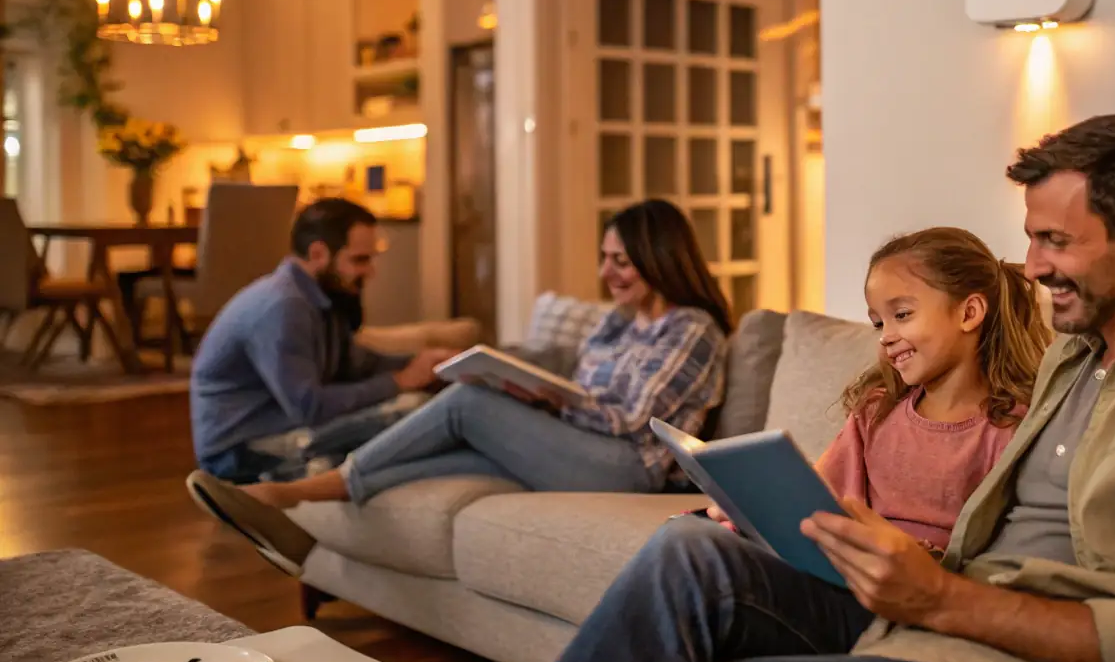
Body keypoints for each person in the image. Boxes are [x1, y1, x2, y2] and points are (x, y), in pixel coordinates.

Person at [520, 114, 1115, 662]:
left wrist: (940, 601)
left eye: (1054, 243)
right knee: (688, 553)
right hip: (935, 614)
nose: (1029, 268)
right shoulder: (1074, 357)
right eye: (1030, 241)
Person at [187, 198, 733, 577]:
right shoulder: (617, 322)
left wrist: (545, 397)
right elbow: (587, 393)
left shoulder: (691, 329)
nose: (607, 272)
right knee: (463, 447)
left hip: (630, 467)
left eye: (622, 261)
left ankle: (286, 491)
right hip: (584, 447)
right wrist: (536, 393)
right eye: (605, 258)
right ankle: (291, 508)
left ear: (658, 259)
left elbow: (636, 422)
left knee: (469, 403)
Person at [708, 227, 1049, 558]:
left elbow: (1004, 553)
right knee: (696, 541)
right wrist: (755, 512)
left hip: (918, 591)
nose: (885, 336)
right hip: (843, 574)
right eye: (879, 323)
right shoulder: (877, 411)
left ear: (969, 312)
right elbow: (816, 502)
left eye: (901, 315)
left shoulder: (1009, 428)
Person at [188, 197, 450, 485]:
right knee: (415, 412)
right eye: (360, 260)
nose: (370, 272)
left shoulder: (325, 296)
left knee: (429, 407)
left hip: (293, 427)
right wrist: (399, 381)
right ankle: (293, 478)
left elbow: (356, 363)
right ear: (318, 254)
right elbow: (309, 407)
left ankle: (329, 471)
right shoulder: (281, 307)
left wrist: (427, 364)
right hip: (240, 450)